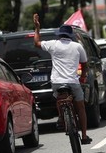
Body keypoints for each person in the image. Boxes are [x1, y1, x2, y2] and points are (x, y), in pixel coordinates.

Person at [33, 14, 92, 145]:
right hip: (73, 82)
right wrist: (83, 77)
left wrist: (37, 28)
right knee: (80, 107)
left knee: (59, 97)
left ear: (59, 35)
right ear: (70, 36)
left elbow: (36, 43)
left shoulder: (53, 45)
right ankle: (84, 136)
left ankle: (61, 117)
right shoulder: (77, 46)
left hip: (57, 82)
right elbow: (85, 64)